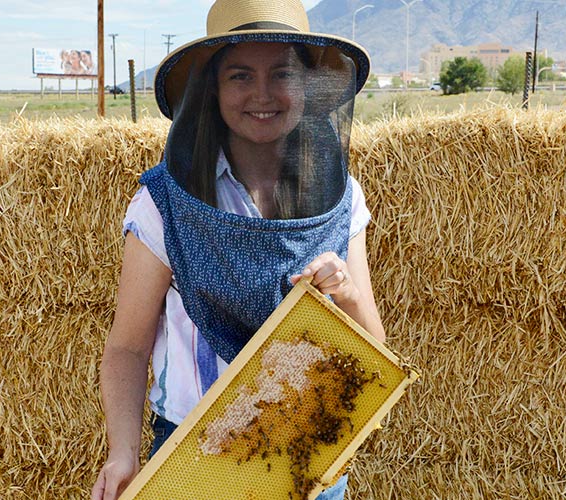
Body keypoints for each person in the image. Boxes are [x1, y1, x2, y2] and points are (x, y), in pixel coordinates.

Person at [91, 0, 381, 498]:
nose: (262, 95)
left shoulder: (339, 194)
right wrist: (123, 453)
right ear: (212, 89)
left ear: (308, 86)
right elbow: (127, 346)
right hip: (193, 459)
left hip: (311, 456)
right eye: (240, 76)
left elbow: (373, 345)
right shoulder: (166, 201)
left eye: (282, 74)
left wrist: (347, 293)